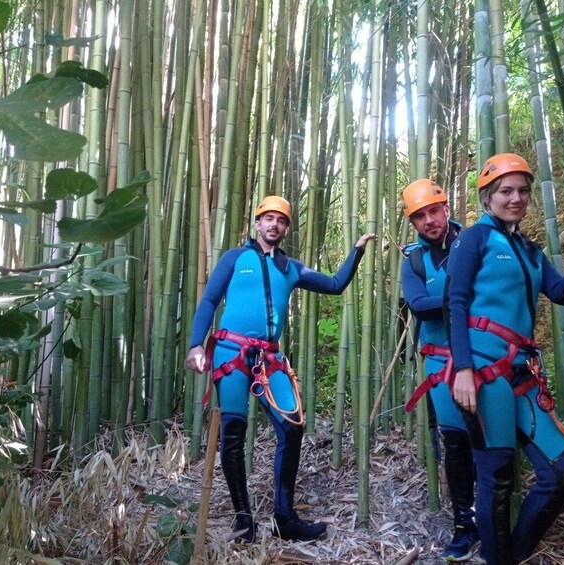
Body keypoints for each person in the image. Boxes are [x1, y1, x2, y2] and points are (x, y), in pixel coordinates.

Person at [445, 153, 564, 564]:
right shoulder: (473, 239)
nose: (515, 198)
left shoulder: (531, 250)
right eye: (505, 191)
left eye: (522, 191)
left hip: (522, 374)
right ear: (487, 197)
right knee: (497, 476)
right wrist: (462, 368)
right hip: (483, 370)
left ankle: (509, 555)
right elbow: (455, 302)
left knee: (562, 472)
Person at [186, 195, 375, 543]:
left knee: (291, 429)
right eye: (268, 218)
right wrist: (196, 344)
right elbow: (210, 300)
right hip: (231, 353)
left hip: (269, 359)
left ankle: (284, 518)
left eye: (281, 220)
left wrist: (357, 250)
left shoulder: (291, 268)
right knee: (233, 432)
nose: (274, 224)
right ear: (257, 223)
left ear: (286, 228)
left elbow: (334, 284)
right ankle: (243, 519)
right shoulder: (234, 258)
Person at [400, 179, 479, 561]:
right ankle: (465, 524)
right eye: (420, 216)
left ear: (447, 208)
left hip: (485, 356)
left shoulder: (477, 241)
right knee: (455, 441)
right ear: (413, 222)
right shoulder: (414, 261)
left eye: (434, 210)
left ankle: (497, 514)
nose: (429, 220)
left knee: (495, 438)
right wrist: (464, 295)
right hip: (441, 362)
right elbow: (419, 304)